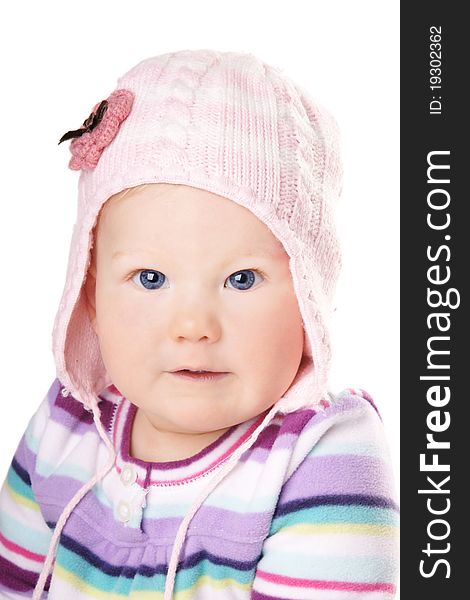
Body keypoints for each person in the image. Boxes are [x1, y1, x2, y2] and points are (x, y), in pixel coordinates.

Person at [0, 49, 399, 599]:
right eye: (150, 278)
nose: (193, 327)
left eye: (241, 279)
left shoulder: (322, 457)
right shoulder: (66, 422)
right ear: (89, 291)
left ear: (311, 294)